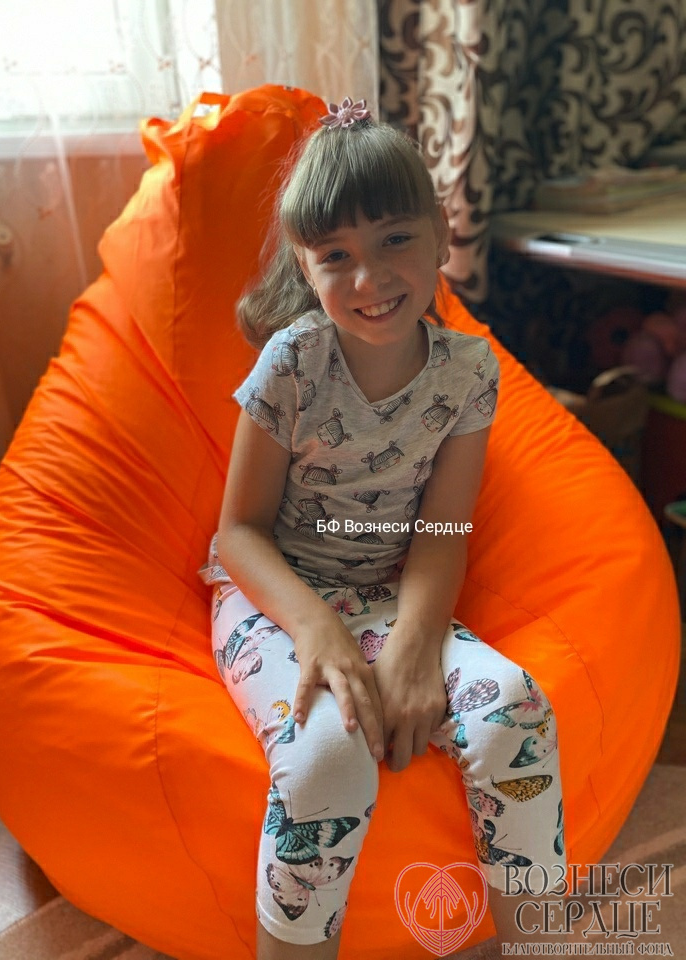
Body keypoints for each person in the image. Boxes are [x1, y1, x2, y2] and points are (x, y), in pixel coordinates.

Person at [200, 97, 566, 959]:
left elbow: (444, 525)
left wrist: (412, 641)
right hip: (277, 598)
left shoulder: (468, 372)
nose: (369, 280)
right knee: (330, 757)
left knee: (517, 711)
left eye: (395, 239)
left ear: (440, 235)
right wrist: (318, 631)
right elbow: (238, 534)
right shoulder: (293, 361)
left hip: (389, 592)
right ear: (305, 267)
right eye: (337, 257)